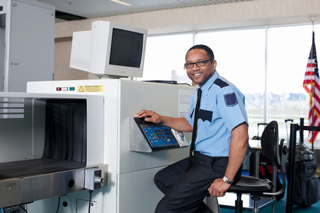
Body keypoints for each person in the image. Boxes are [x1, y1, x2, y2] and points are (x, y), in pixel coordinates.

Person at [137, 44, 249, 213]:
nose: (194, 68)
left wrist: (226, 179)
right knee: (163, 179)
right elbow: (190, 124)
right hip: (200, 159)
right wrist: (161, 119)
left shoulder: (225, 91)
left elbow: (241, 137)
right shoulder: (199, 92)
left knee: (165, 209)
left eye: (200, 62)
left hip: (219, 163)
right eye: (189, 64)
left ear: (214, 64)